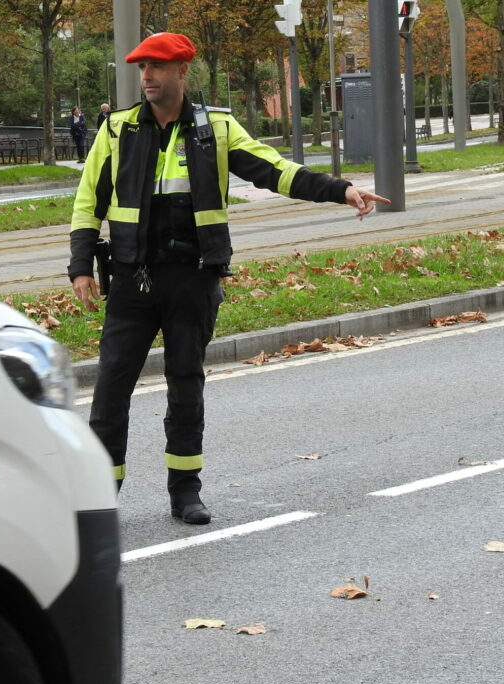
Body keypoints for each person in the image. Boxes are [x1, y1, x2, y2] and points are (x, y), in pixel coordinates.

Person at [67, 32, 388, 524]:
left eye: (157, 67)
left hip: (193, 279)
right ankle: (99, 497)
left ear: (181, 73)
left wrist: (339, 189)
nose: (147, 76)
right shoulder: (117, 129)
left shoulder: (213, 128)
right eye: (142, 68)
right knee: (111, 389)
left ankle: (185, 493)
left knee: (186, 385)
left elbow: (275, 171)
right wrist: (80, 265)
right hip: (133, 279)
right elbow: (89, 199)